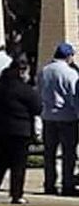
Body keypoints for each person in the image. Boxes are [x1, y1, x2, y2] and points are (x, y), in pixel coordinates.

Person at [0, 53, 41, 205]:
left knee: (0, 161)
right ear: (22, 72)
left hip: (0, 128)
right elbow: (37, 108)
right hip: (21, 130)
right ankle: (16, 194)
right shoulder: (25, 89)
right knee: (18, 164)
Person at [38, 42, 79, 196]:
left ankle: (49, 184)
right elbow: (74, 97)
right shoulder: (70, 73)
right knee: (69, 153)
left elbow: (39, 92)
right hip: (67, 117)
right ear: (68, 56)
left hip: (48, 116)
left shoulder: (44, 71)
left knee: (49, 153)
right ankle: (67, 184)